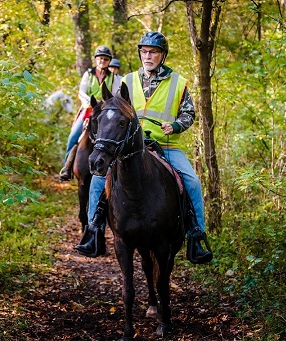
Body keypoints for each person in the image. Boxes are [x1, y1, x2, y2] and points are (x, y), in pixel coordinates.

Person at [75, 31, 213, 265]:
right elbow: (113, 108)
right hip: (129, 147)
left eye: (153, 52)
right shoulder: (127, 80)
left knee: (192, 181)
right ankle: (93, 231)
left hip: (165, 145)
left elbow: (189, 112)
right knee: (99, 178)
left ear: (162, 55)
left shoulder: (178, 83)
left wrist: (177, 125)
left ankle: (195, 236)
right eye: (144, 51)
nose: (147, 56)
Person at [59, 46, 122, 181]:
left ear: (109, 61)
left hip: (105, 112)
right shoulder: (88, 74)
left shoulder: (114, 78)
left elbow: (115, 95)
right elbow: (81, 92)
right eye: (100, 59)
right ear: (96, 59)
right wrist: (90, 101)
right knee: (74, 135)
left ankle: (115, 170)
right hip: (89, 109)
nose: (102, 61)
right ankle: (67, 167)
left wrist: (104, 104)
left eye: (105, 59)